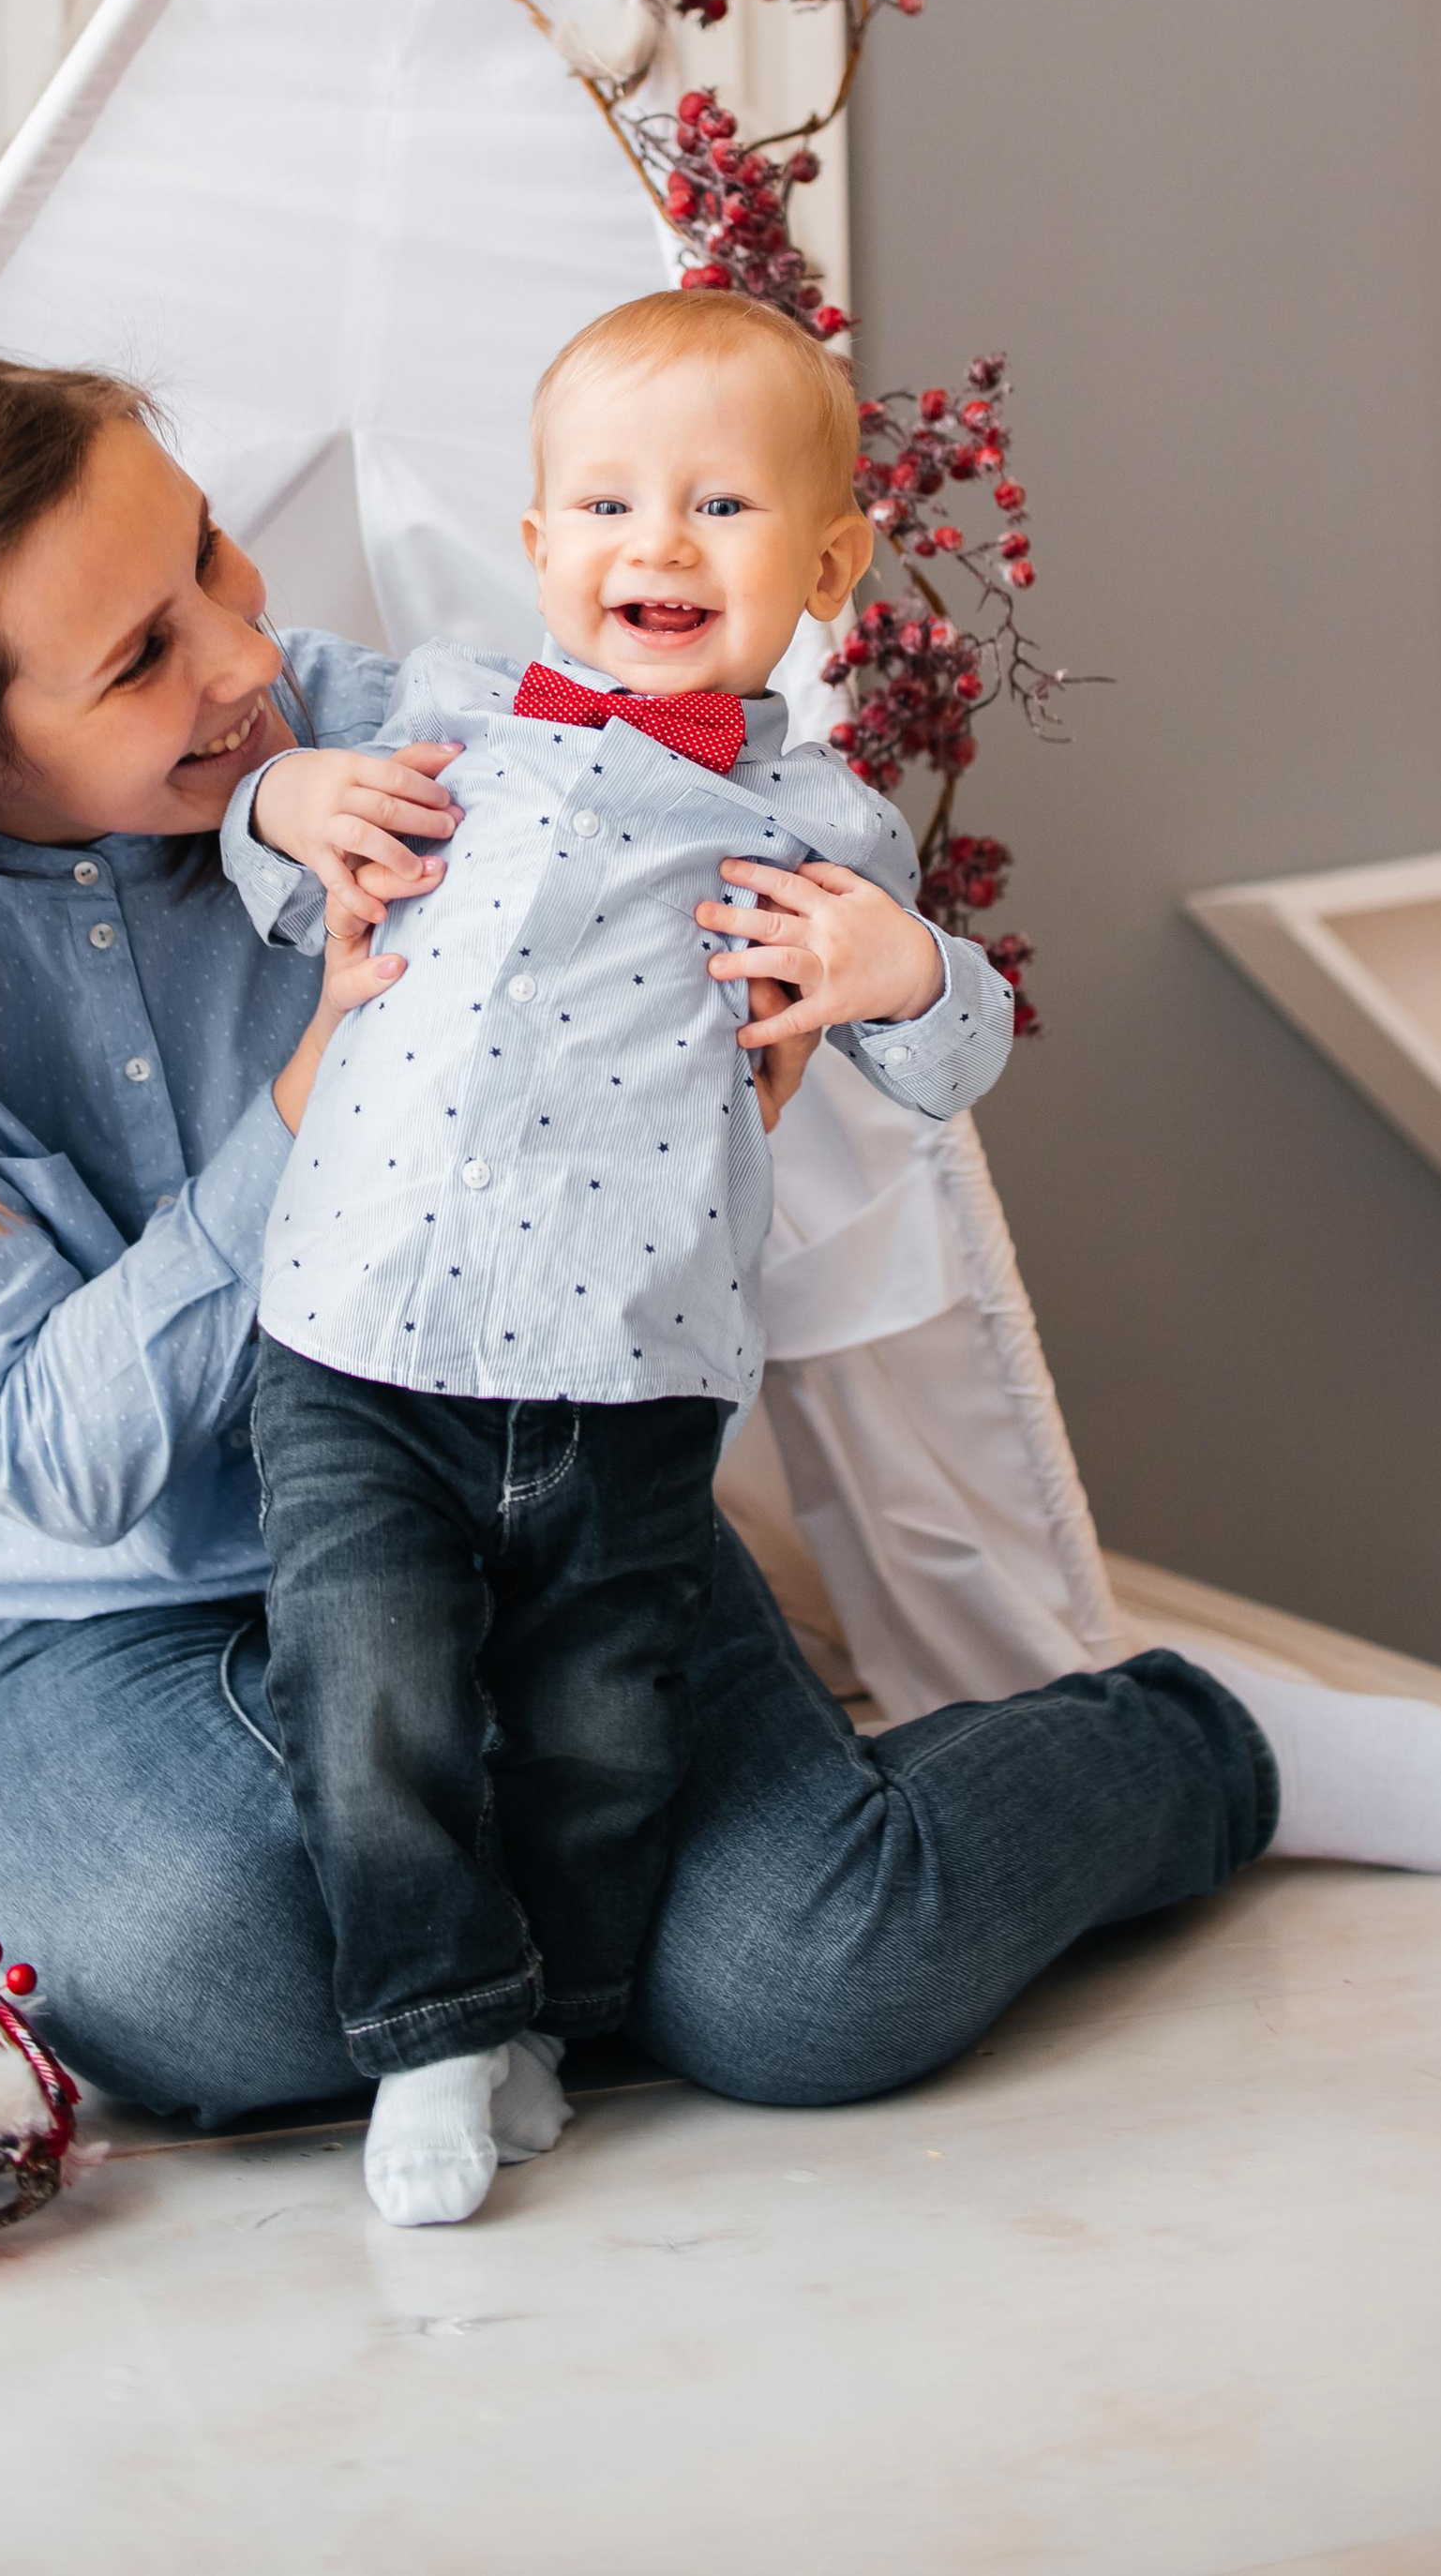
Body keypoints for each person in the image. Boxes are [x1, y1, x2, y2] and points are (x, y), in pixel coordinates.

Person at [0, 339, 1441, 2183]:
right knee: (221, 1953)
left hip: (515, 1458)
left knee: (817, 1984)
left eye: (206, 553)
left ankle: (1188, 1750)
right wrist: (314, 1098)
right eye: (142, 654)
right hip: (107, 1613)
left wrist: (813, 972)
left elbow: (705, 802)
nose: (250, 652)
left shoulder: (392, 732)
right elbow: (47, 1470)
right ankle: (562, 1913)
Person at [232, 293, 1015, 2222]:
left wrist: (892, 970)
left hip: (627, 1361)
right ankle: (425, 2028)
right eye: (604, 502)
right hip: (360, 1334)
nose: (654, 544)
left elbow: (941, 1055)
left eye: (721, 506)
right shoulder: (438, 713)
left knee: (599, 1726)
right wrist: (281, 801)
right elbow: (268, 853)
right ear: (534, 545)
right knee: (371, 1691)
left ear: (827, 562)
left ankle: (549, 2019)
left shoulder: (818, 823)